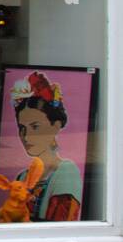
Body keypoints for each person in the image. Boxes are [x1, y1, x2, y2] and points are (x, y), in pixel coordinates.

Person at [11, 71, 82, 221]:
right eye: (22, 128)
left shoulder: (65, 172)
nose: (26, 136)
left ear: (55, 126)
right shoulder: (23, 176)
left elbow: (61, 227)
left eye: (35, 126)